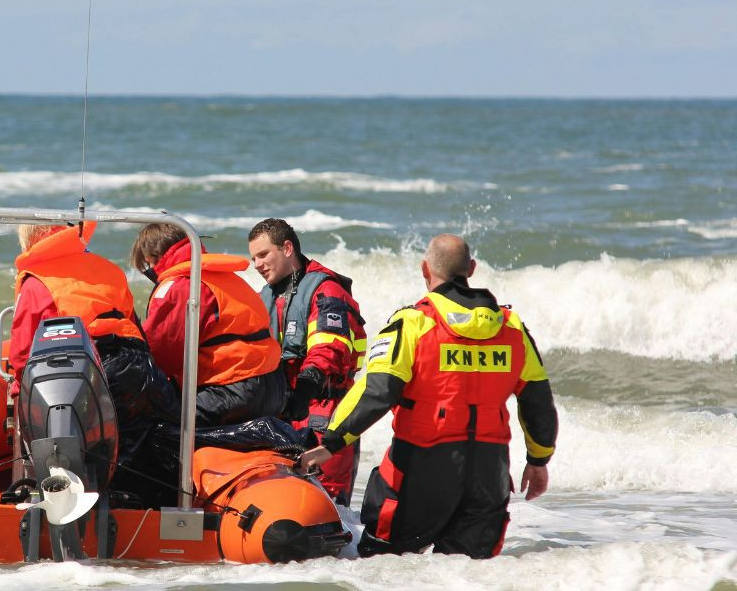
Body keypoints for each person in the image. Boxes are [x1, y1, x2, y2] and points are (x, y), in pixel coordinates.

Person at [300, 234, 558, 558]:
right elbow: (538, 401)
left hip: (420, 471)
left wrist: (331, 443)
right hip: (489, 475)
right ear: (472, 269)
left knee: (383, 568)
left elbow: (376, 392)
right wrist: (538, 460)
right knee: (468, 575)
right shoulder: (512, 328)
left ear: (425, 269)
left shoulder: (413, 322)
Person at [9, 221, 179, 457]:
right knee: (144, 452)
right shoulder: (107, 268)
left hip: (90, 373)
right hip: (138, 365)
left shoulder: (36, 281)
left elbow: (22, 354)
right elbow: (135, 325)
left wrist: (20, 390)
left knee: (86, 456)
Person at [248, 218, 367, 505]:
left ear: (287, 248)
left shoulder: (326, 290)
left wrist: (304, 389)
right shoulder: (264, 297)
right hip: (283, 416)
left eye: (263, 254)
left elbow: (330, 348)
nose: (257, 264)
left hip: (324, 417)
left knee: (327, 506)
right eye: (253, 258)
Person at [130, 223, 286, 427]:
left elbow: (161, 357)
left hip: (231, 392)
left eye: (147, 265)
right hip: (273, 388)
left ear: (153, 257)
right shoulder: (227, 277)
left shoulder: (180, 285)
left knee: (144, 422)